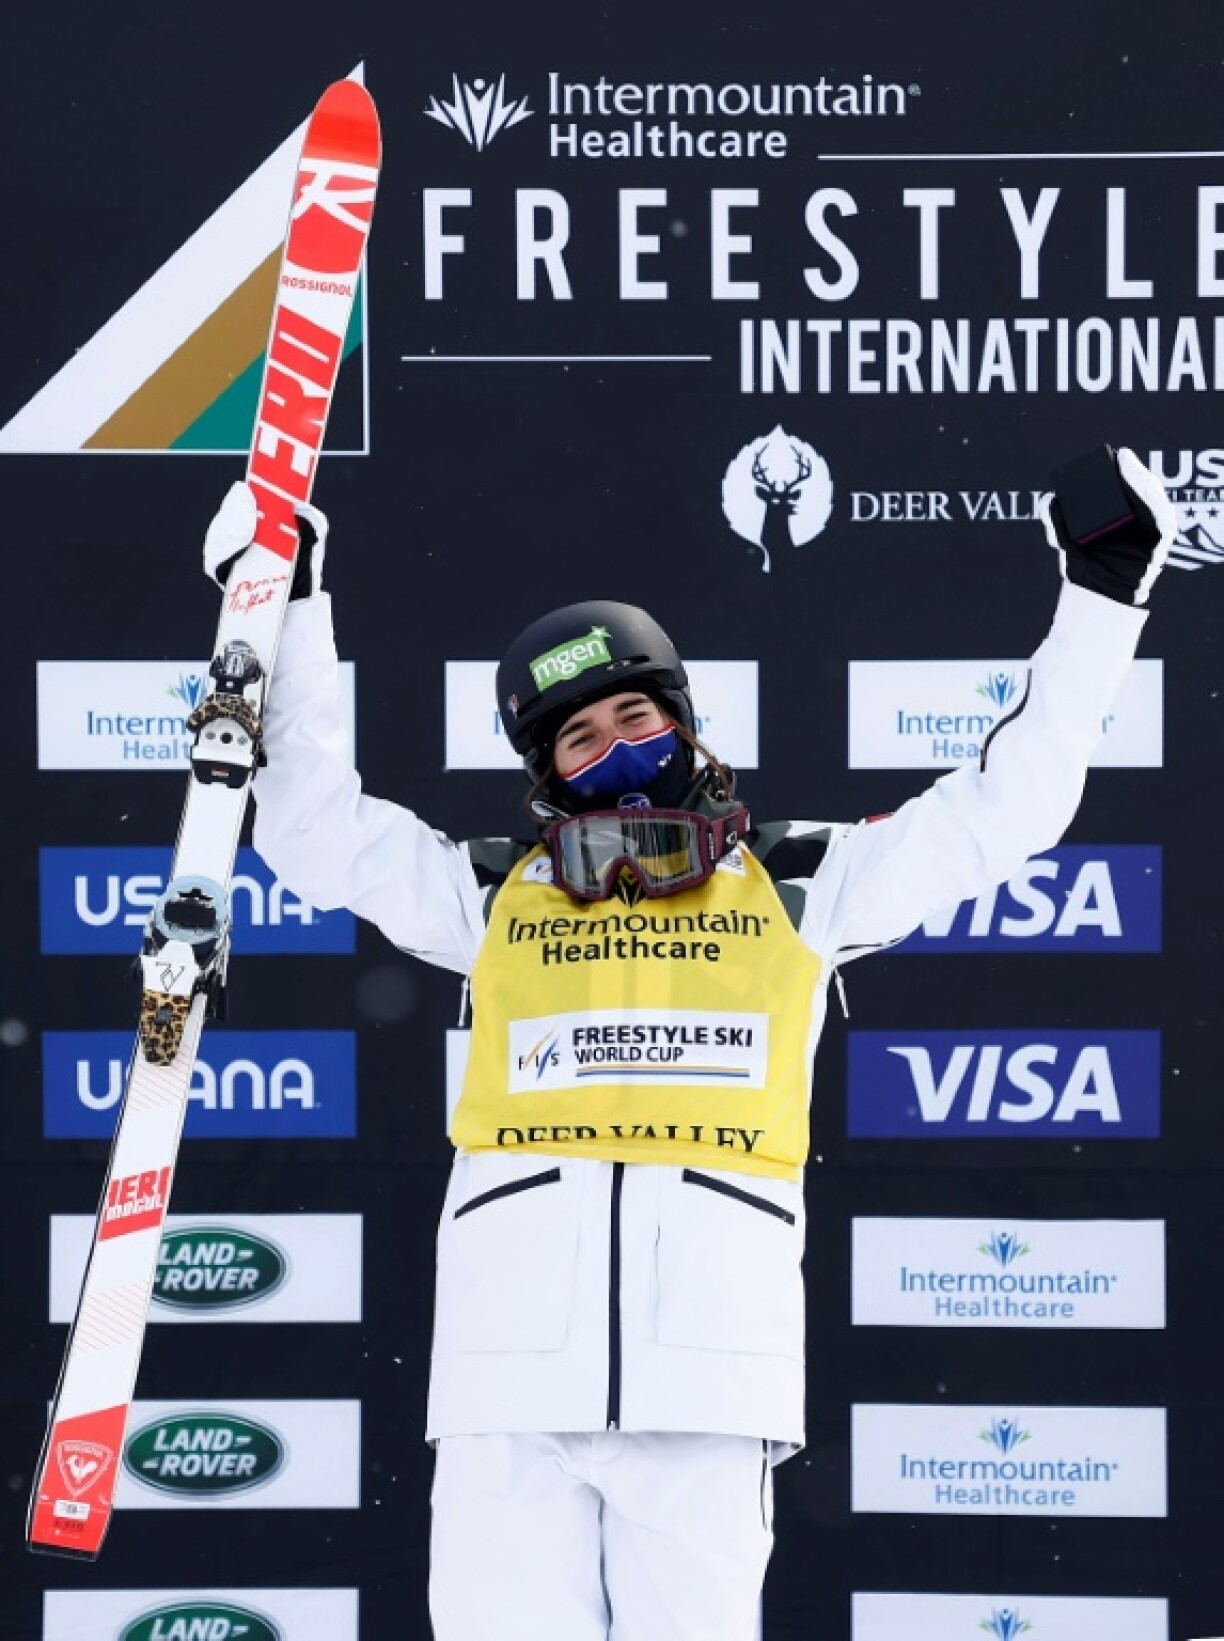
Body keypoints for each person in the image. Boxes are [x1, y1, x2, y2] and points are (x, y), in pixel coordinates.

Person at [203, 446, 1175, 1639]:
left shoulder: (804, 884)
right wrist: (289, 606)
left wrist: (1102, 594)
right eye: (580, 738)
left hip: (709, 1377)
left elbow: (1008, 804)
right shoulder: (492, 895)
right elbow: (312, 830)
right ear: (546, 772)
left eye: (636, 716)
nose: (615, 748)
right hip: (510, 1378)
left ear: (683, 724)